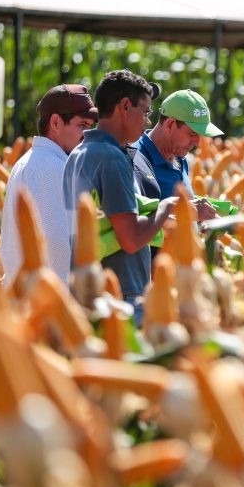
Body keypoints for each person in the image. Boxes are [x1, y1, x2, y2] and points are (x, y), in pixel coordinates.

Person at [63, 69, 176, 324]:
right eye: (146, 112)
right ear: (125, 106)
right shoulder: (112, 158)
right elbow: (131, 239)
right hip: (119, 299)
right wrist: (166, 208)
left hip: (88, 293)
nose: (148, 122)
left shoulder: (79, 153)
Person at [0, 84, 97, 284]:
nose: (88, 134)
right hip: (44, 300)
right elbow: (57, 245)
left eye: (91, 126)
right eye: (83, 125)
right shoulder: (53, 168)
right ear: (55, 122)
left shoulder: (31, 161)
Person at [133, 89, 223, 222]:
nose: (197, 143)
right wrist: (190, 213)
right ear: (170, 124)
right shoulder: (135, 159)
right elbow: (132, 222)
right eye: (192, 133)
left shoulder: (180, 158)